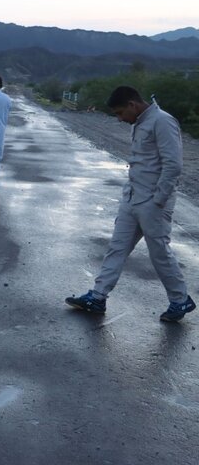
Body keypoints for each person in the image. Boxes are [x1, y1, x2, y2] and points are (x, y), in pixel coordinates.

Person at [66, 86, 195, 322]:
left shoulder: (163, 122)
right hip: (132, 197)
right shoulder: (139, 122)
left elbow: (173, 165)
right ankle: (97, 297)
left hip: (153, 202)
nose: (119, 119)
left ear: (132, 105)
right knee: (117, 247)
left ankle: (180, 300)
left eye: (120, 113)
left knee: (159, 254)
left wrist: (158, 200)